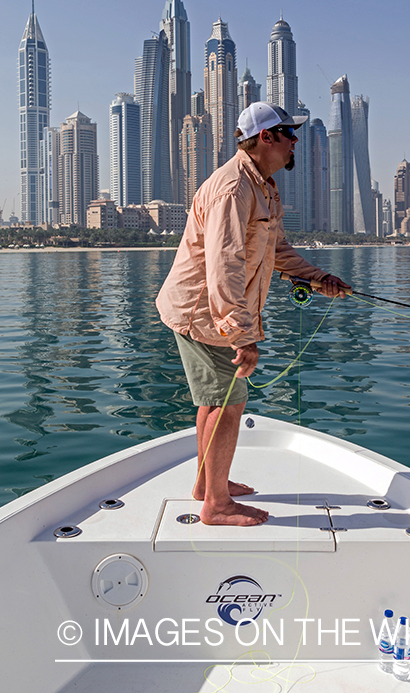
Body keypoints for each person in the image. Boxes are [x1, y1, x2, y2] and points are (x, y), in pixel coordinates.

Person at [156, 102, 349, 527]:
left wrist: (319, 278)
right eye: (288, 134)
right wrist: (242, 335)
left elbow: (275, 250)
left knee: (214, 401)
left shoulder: (261, 184)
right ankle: (216, 505)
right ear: (266, 137)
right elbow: (222, 264)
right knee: (229, 403)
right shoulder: (233, 188)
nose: (295, 141)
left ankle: (208, 487)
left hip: (209, 312)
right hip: (203, 313)